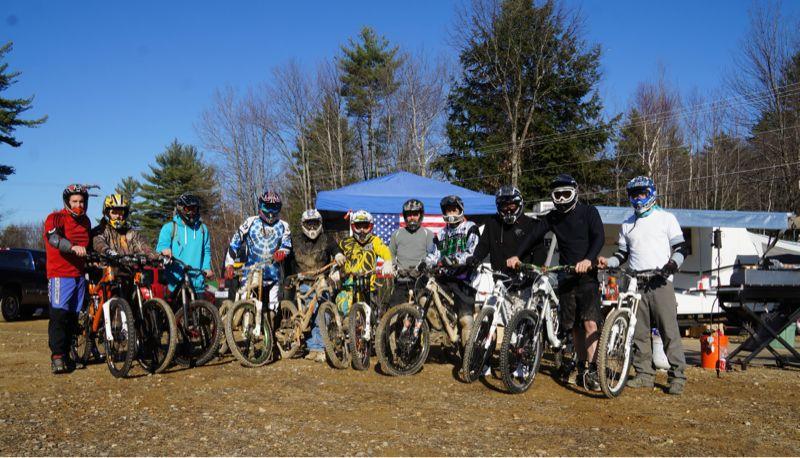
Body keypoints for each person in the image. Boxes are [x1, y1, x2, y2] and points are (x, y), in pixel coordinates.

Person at [508, 174, 605, 390]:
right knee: (574, 327)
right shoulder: (552, 217)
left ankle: (594, 369)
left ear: (575, 192)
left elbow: (598, 236)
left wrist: (588, 260)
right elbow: (532, 235)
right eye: (557, 195)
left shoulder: (589, 212)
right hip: (565, 275)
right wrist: (516, 255)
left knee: (590, 323)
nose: (561, 199)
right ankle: (581, 367)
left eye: (565, 194)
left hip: (587, 275)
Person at [598, 176, 688, 395]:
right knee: (638, 332)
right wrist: (608, 261)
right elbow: (622, 254)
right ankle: (644, 375)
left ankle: (678, 377)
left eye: (642, 193)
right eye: (634, 194)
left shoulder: (666, 218)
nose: (638, 197)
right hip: (636, 283)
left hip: (660, 282)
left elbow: (682, 249)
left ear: (651, 193)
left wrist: (669, 267)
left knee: (669, 331)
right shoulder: (627, 223)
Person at [43, 184, 92, 374]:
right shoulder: (56, 218)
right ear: (67, 202)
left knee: (73, 317)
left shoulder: (86, 221)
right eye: (75, 201)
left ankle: (69, 355)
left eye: (81, 201)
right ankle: (57, 356)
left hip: (79, 274)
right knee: (59, 316)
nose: (78, 205)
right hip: (60, 274)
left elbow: (89, 243)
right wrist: (71, 247)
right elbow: (53, 238)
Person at [424, 195, 480, 350]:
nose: (451, 214)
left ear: (460, 210)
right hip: (445, 278)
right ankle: (443, 326)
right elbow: (434, 255)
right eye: (448, 211)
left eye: (454, 210)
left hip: (464, 278)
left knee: (465, 321)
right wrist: (425, 263)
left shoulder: (470, 227)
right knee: (423, 296)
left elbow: (473, 251)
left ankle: (468, 360)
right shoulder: (441, 233)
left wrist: (455, 259)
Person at [224, 189, 291, 313]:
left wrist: (282, 252)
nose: (271, 212)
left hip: (273, 274)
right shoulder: (250, 222)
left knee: (273, 309)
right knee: (244, 306)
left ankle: (271, 330)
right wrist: (229, 265)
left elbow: (287, 245)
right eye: (267, 207)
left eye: (274, 207)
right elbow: (235, 243)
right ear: (260, 206)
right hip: (251, 272)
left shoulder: (284, 225)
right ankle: (234, 328)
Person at [287, 209, 337, 363]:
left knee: (322, 313)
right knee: (309, 315)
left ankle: (320, 347)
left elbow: (336, 249)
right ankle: (312, 347)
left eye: (315, 223)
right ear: (303, 225)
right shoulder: (294, 240)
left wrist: (339, 255)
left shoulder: (326, 238)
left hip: (322, 280)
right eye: (309, 224)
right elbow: (288, 261)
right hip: (302, 282)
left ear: (320, 224)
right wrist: (288, 277)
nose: (312, 227)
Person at [467, 186, 548, 275]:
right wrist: (476, 257)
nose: (508, 209)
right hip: (498, 275)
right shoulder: (492, 222)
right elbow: (483, 245)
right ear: (499, 206)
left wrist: (534, 270)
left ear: (519, 204)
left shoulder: (531, 224)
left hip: (524, 276)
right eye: (504, 206)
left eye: (512, 205)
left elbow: (540, 251)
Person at [333, 210, 394, 311]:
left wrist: (388, 262)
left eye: (365, 226)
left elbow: (385, 251)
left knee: (373, 316)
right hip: (348, 286)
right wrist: (334, 270)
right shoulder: (345, 242)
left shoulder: (375, 240)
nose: (362, 230)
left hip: (369, 287)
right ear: (353, 226)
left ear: (370, 226)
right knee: (343, 310)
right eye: (358, 226)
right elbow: (336, 259)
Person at [156, 193, 214, 297]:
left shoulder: (203, 229)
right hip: (175, 283)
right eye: (188, 209)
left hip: (197, 283)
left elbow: (206, 251)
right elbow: (161, 247)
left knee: (200, 312)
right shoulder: (169, 228)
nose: (192, 212)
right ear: (180, 208)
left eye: (194, 209)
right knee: (176, 313)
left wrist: (206, 267)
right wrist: (165, 250)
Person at [388, 199, 435, 305]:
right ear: (405, 216)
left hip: (422, 282)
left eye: (415, 214)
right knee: (393, 314)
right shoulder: (397, 234)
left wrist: (422, 267)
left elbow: (433, 256)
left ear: (420, 215)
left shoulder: (428, 234)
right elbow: (390, 254)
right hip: (402, 281)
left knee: (428, 311)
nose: (412, 217)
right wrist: (394, 267)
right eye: (409, 214)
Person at [92, 193, 155, 259]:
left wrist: (157, 256)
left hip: (129, 268)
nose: (118, 216)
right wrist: (109, 252)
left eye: (121, 213)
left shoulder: (131, 233)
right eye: (114, 212)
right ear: (107, 213)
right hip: (106, 267)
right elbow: (99, 243)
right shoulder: (100, 231)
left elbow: (143, 246)